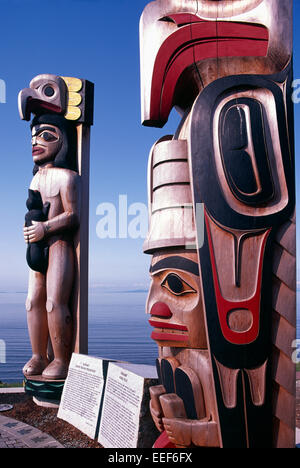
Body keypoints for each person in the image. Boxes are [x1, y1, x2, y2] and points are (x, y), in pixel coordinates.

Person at [23, 114, 80, 380]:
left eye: (46, 135)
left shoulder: (68, 178)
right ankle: (38, 355)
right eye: (33, 136)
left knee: (54, 303)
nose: (36, 142)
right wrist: (31, 230)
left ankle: (61, 359)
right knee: (33, 301)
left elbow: (73, 215)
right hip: (36, 247)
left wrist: (45, 228)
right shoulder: (35, 180)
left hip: (58, 244)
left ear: (64, 141)